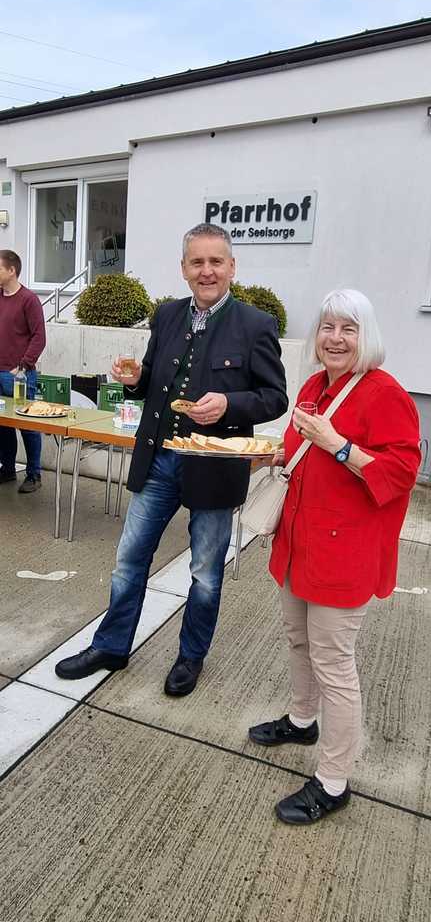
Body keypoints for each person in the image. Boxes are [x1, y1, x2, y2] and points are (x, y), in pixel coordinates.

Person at [56, 223, 288, 694]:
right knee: (128, 561)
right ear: (184, 269)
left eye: (216, 261)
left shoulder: (255, 324)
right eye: (197, 262)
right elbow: (151, 381)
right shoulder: (166, 315)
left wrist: (229, 405)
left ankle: (190, 657)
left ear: (232, 267)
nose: (207, 271)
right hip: (159, 460)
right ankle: (111, 646)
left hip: (214, 467)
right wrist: (134, 379)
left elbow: (275, 397)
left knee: (204, 574)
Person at [249, 289, 420, 825]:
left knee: (334, 665)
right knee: (299, 641)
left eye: (349, 328)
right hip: (299, 544)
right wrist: (274, 452)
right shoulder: (313, 386)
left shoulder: (385, 393)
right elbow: (302, 451)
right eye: (328, 327)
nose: (336, 338)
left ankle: (333, 781)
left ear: (366, 336)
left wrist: (339, 445)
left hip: (344, 556)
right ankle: (302, 721)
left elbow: (401, 474)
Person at [0, 250, 46, 493]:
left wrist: (23, 365)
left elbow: (39, 337)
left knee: (27, 424)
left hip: (18, 376)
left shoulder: (29, 299)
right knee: (2, 425)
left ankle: (34, 474)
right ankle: (7, 468)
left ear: (12, 270)